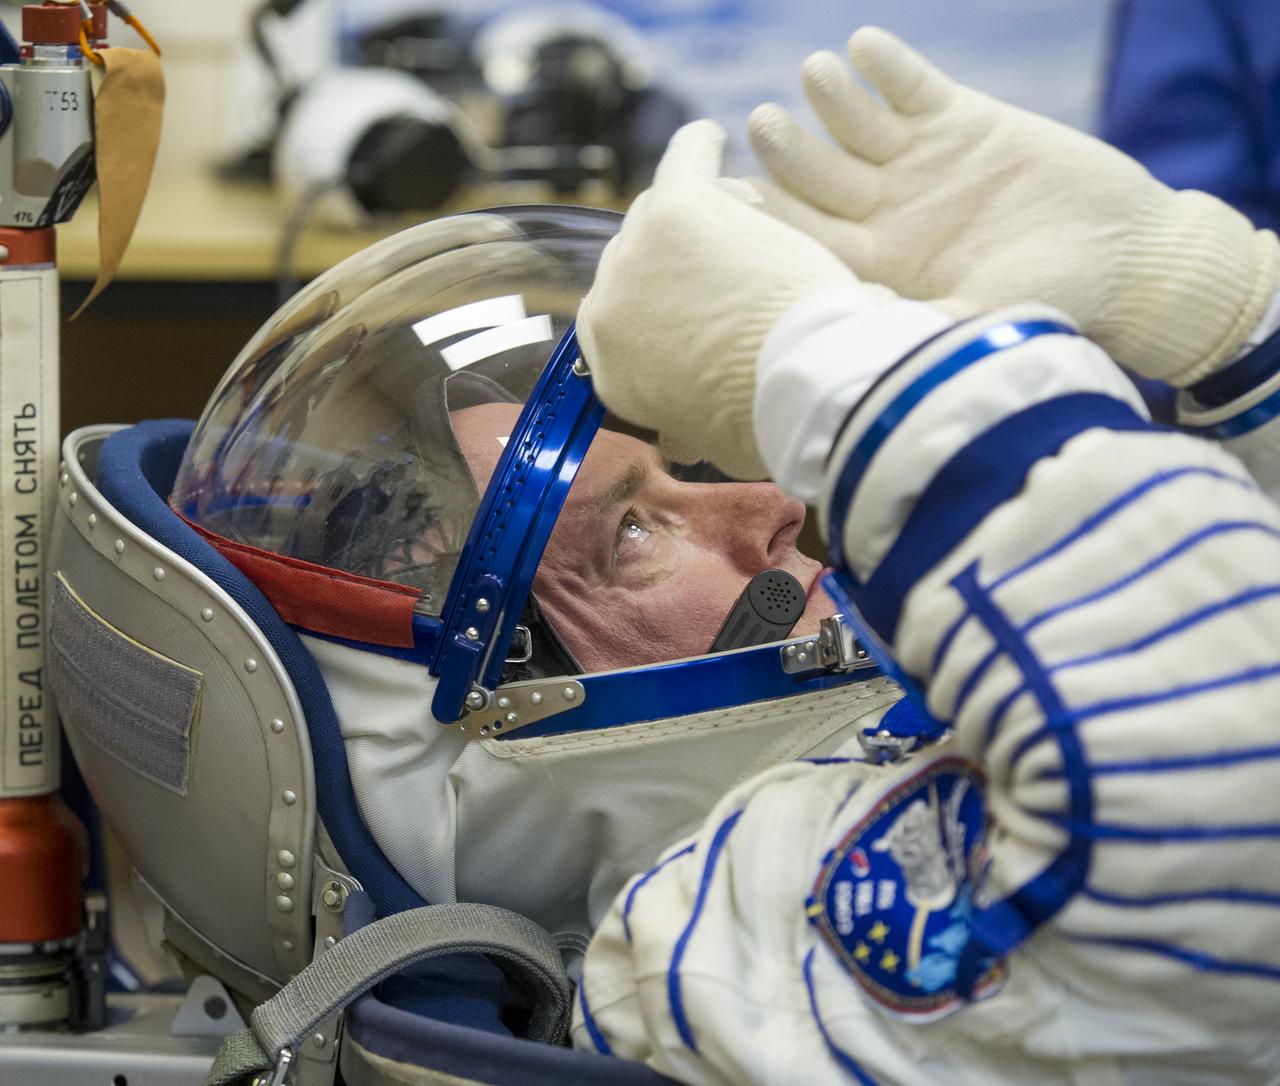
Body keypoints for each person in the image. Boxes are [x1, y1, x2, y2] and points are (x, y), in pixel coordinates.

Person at [569, 27, 1280, 1083]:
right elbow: (1227, 775)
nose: (771, 501)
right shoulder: (705, 950)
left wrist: (1208, 301)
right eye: (631, 529)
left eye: (705, 462)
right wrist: (855, 387)